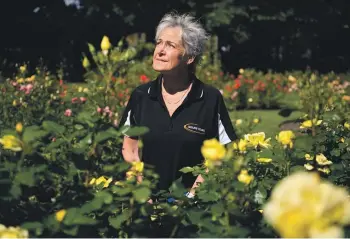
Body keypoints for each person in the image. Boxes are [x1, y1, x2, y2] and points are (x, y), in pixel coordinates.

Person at [119, 12, 237, 199]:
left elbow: (222, 152)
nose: (160, 50)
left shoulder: (209, 98)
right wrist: (142, 191)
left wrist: (191, 197)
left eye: (170, 45)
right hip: (147, 201)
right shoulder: (141, 96)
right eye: (159, 42)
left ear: (189, 57)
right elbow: (129, 147)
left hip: (193, 207)